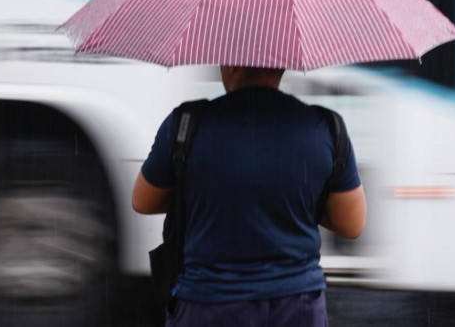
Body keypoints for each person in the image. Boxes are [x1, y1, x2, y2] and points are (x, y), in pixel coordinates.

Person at [132, 66, 366, 327]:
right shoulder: (325, 127)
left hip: (207, 305)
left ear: (231, 64)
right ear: (282, 63)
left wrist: (209, 193)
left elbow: (143, 200)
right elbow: (351, 224)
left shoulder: (186, 124)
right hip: (296, 307)